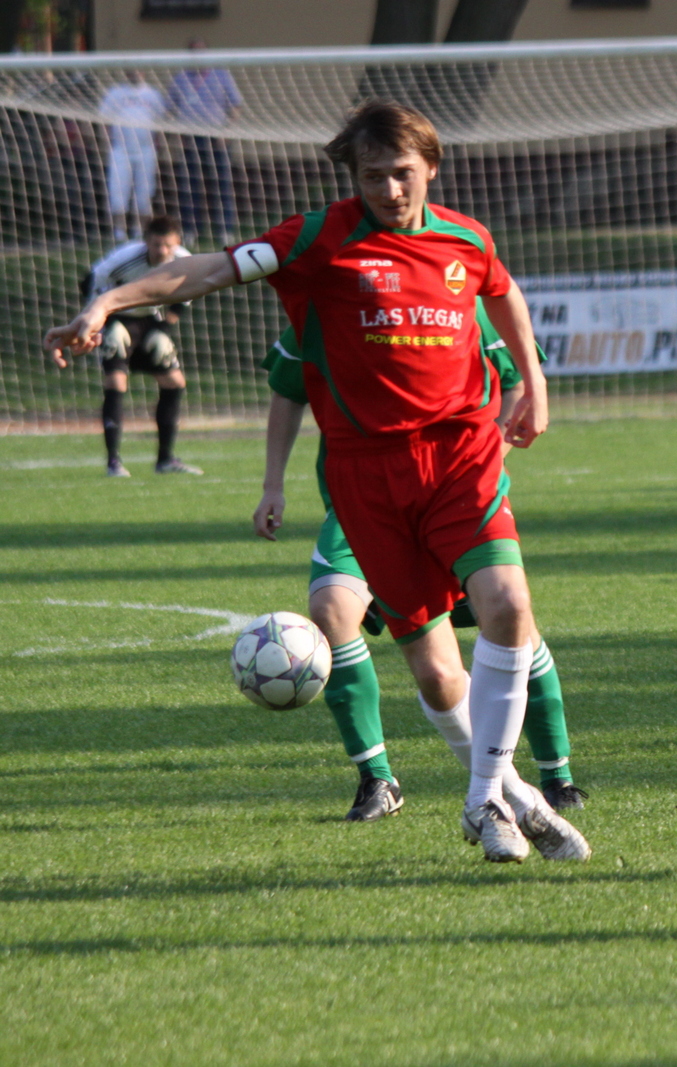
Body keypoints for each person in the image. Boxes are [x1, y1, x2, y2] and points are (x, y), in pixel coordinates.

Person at [45, 100, 586, 866]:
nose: (389, 189)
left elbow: (502, 291)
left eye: (402, 173)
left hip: (461, 455)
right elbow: (206, 269)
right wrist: (107, 300)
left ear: (431, 167)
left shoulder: (467, 239)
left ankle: (483, 798)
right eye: (373, 176)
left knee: (509, 604)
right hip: (366, 477)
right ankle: (515, 795)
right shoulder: (315, 239)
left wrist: (532, 380)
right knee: (438, 674)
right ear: (353, 176)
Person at [255, 306, 589, 821]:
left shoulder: (455, 288)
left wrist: (485, 460)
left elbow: (516, 380)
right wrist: (272, 484)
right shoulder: (326, 297)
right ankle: (377, 777)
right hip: (364, 503)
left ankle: (556, 775)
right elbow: (288, 388)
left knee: (512, 623)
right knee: (331, 609)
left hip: (453, 496)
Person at [58, 216, 202, 477]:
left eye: (168, 245)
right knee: (116, 382)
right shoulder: (124, 258)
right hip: (116, 319)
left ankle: (165, 460)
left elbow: (188, 294)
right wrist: (97, 321)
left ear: (177, 243)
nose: (162, 251)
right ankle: (114, 462)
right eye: (157, 244)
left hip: (149, 320)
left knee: (174, 382)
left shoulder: (183, 261)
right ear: (146, 242)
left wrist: (164, 326)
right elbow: (91, 281)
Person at [168, 39, 241, 242]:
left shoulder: (222, 75)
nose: (198, 56)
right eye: (194, 52)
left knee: (222, 184)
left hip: (217, 138)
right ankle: (190, 231)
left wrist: (226, 131)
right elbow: (170, 109)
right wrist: (177, 133)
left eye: (202, 51)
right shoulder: (181, 78)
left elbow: (236, 105)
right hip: (190, 138)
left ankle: (225, 231)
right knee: (189, 186)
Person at [98, 70, 165, 242]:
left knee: (144, 193)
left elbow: (162, 122)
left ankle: (140, 232)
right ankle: (119, 232)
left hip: (146, 150)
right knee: (118, 192)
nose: (135, 73)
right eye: (131, 71)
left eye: (139, 70)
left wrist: (160, 147)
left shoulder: (153, 95)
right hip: (121, 150)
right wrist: (106, 145)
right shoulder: (115, 93)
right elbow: (104, 121)